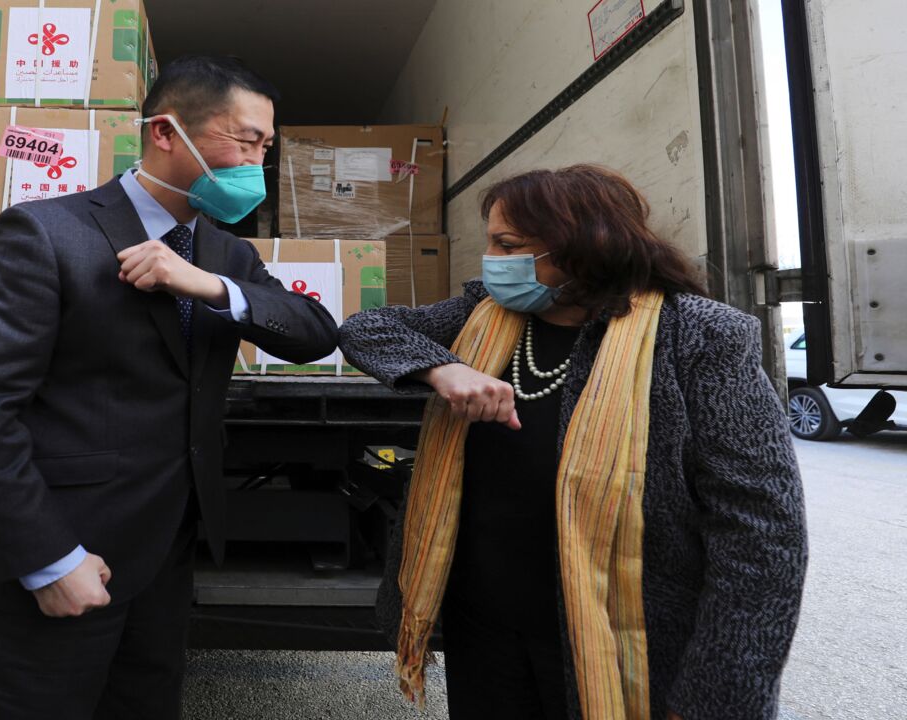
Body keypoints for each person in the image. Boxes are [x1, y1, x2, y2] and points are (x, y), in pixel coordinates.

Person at [0, 55, 339, 720]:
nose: (257, 161)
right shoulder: (46, 233)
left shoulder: (224, 253)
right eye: (244, 140)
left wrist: (205, 285)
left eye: (266, 146)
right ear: (165, 132)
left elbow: (314, 332)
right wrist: (46, 557)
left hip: (165, 553)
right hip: (69, 548)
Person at [340, 165, 807, 720]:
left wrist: (716, 695)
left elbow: (761, 531)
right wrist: (441, 369)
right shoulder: (484, 313)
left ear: (587, 247)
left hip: (623, 634)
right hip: (484, 625)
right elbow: (366, 328)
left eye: (507, 244)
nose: (491, 259)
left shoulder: (700, 336)